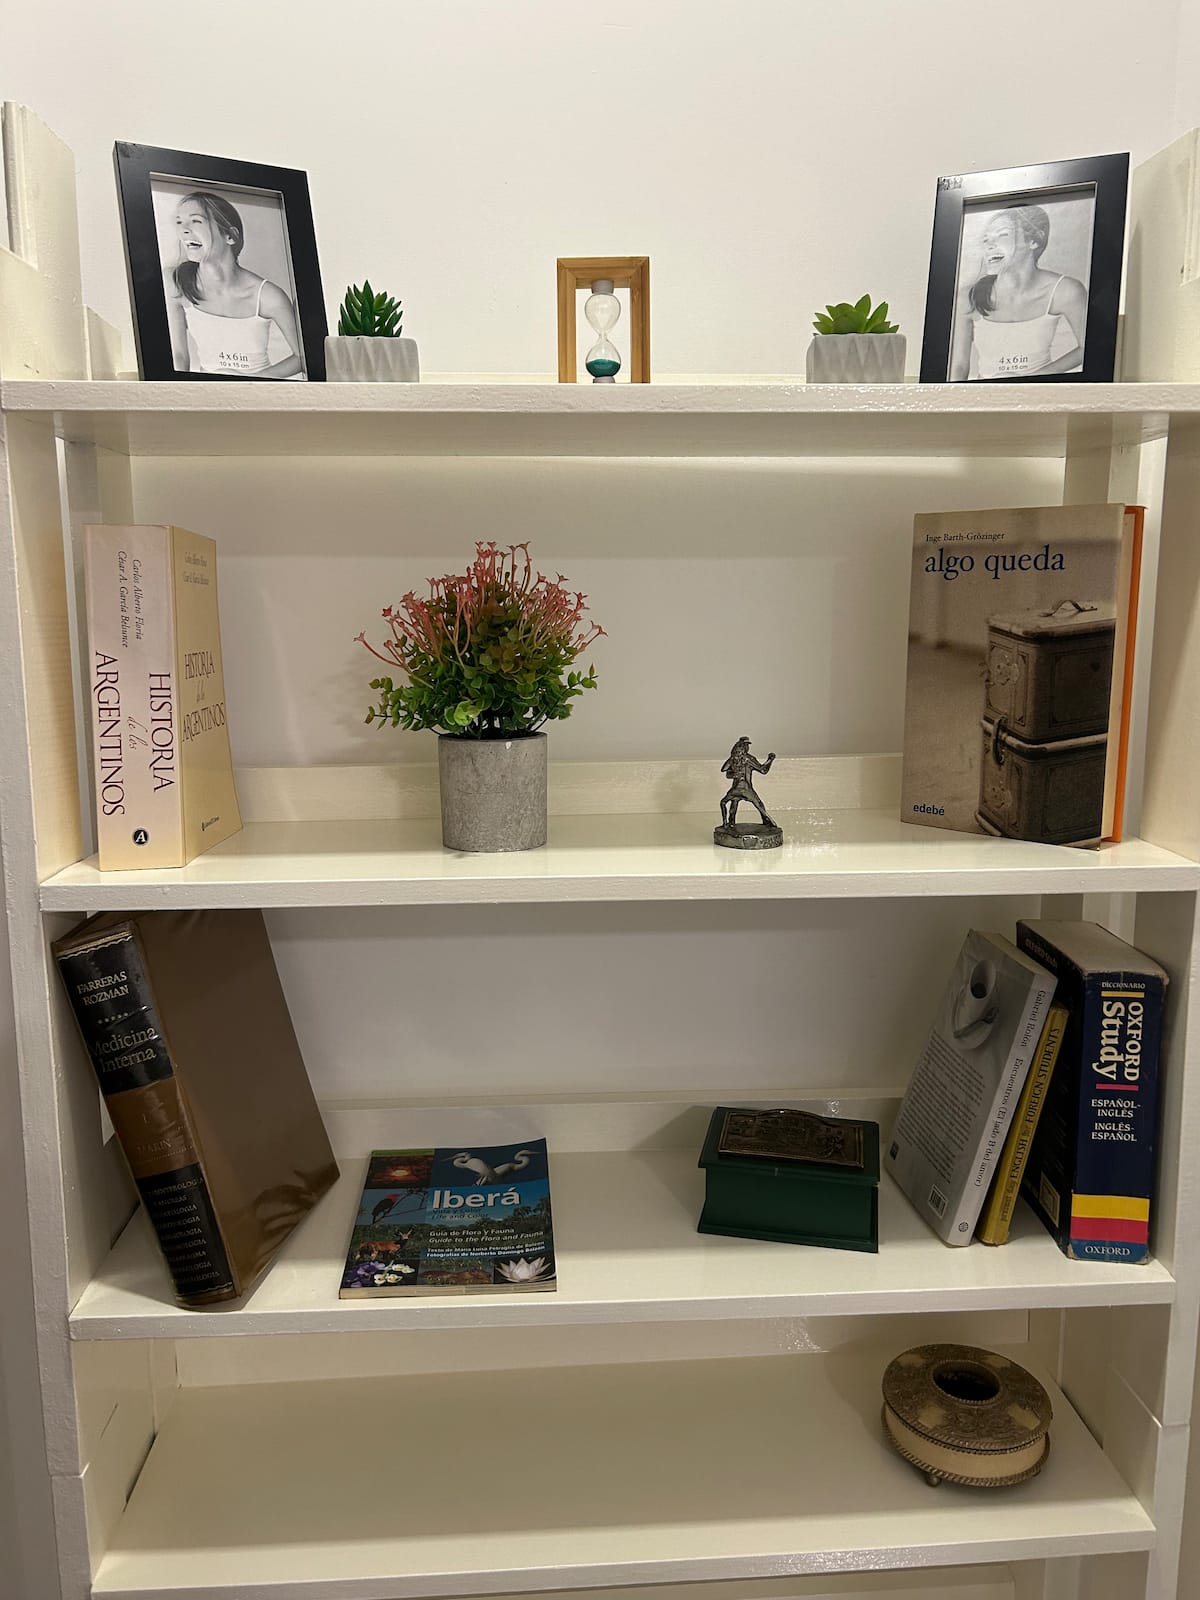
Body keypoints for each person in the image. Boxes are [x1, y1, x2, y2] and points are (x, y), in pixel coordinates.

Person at [165, 191, 303, 378]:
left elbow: (303, 357)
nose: (184, 230)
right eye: (179, 222)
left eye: (196, 221)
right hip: (205, 392)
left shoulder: (269, 296)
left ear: (230, 236)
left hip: (259, 392)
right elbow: (178, 357)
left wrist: (249, 383)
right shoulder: (176, 284)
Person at [950, 204, 1087, 380]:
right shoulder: (968, 297)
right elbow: (958, 367)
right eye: (986, 239)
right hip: (984, 395)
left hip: (1040, 393)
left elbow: (1090, 348)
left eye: (1002, 235)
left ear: (1034, 241)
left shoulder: (1066, 290)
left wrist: (1033, 378)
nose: (989, 245)